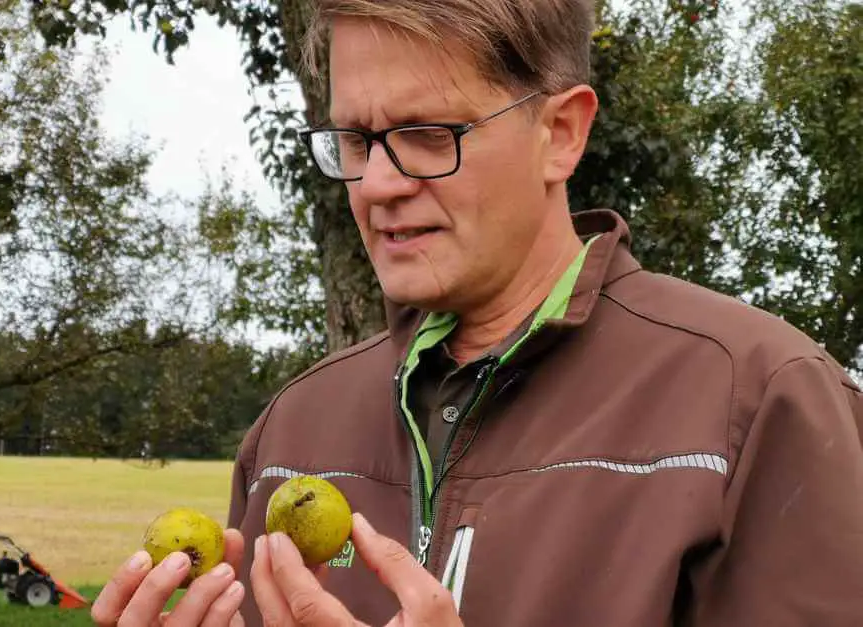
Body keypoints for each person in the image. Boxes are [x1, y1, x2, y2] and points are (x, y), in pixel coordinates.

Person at [92, 0, 863, 625]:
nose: (379, 184)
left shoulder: (758, 402)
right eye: (358, 139)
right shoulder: (294, 427)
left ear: (561, 133)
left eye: (430, 135)